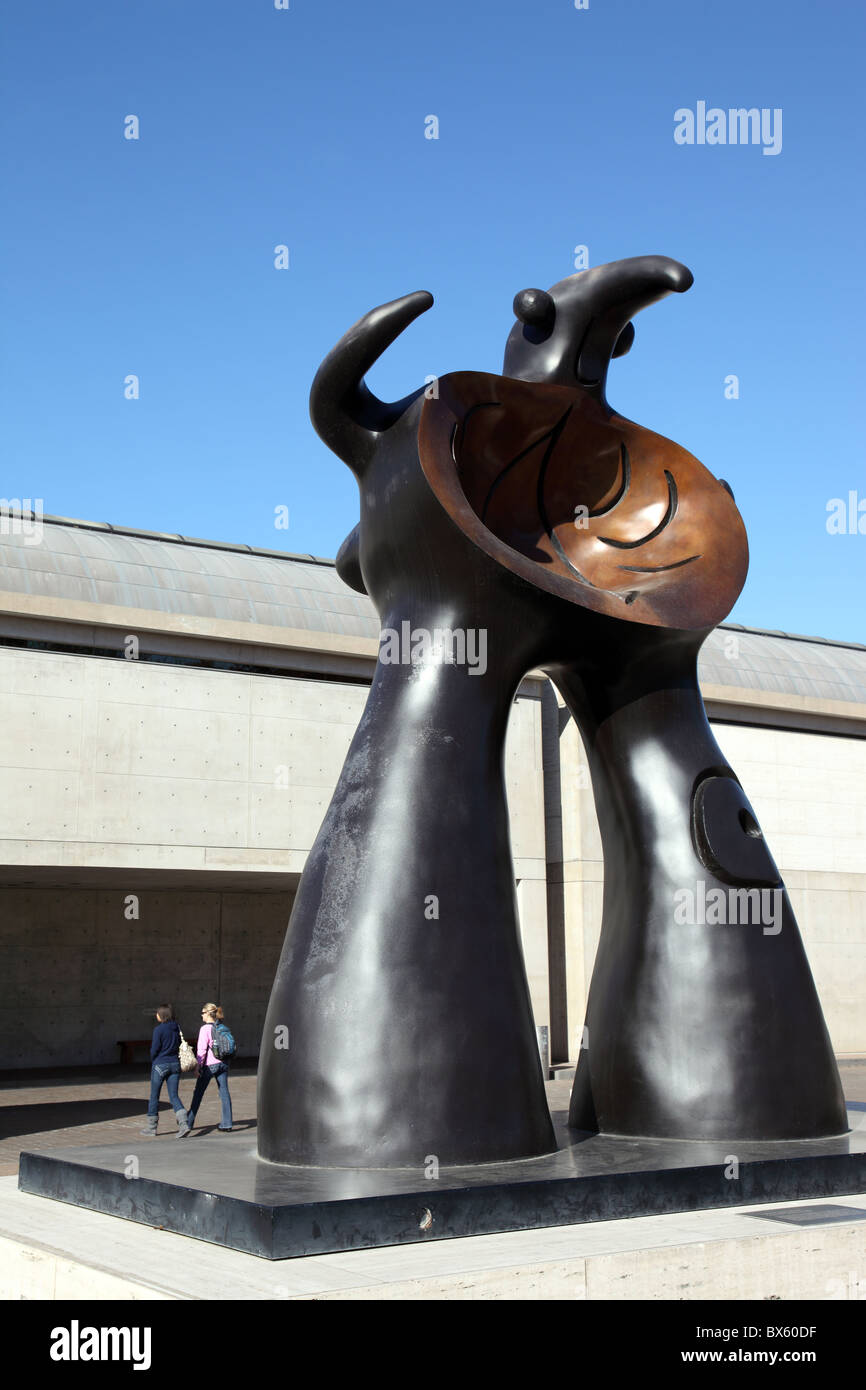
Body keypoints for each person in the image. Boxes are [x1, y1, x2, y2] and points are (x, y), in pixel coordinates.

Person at [140, 1006, 191, 1138]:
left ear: (161, 1015)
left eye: (157, 1013)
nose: (156, 1015)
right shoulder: (176, 1028)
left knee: (154, 1096)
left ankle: (151, 1128)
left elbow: (155, 1048)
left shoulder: (158, 1030)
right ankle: (184, 1124)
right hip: (175, 1064)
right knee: (174, 1095)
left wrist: (153, 1059)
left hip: (160, 1064)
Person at [183, 1002, 233, 1135]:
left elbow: (202, 1050)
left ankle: (188, 1122)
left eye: (203, 1013)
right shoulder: (221, 1027)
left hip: (210, 1065)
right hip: (223, 1063)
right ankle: (227, 1123)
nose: (201, 1015)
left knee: (198, 1093)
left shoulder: (205, 1029)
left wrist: (198, 1066)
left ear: (208, 1014)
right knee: (224, 1092)